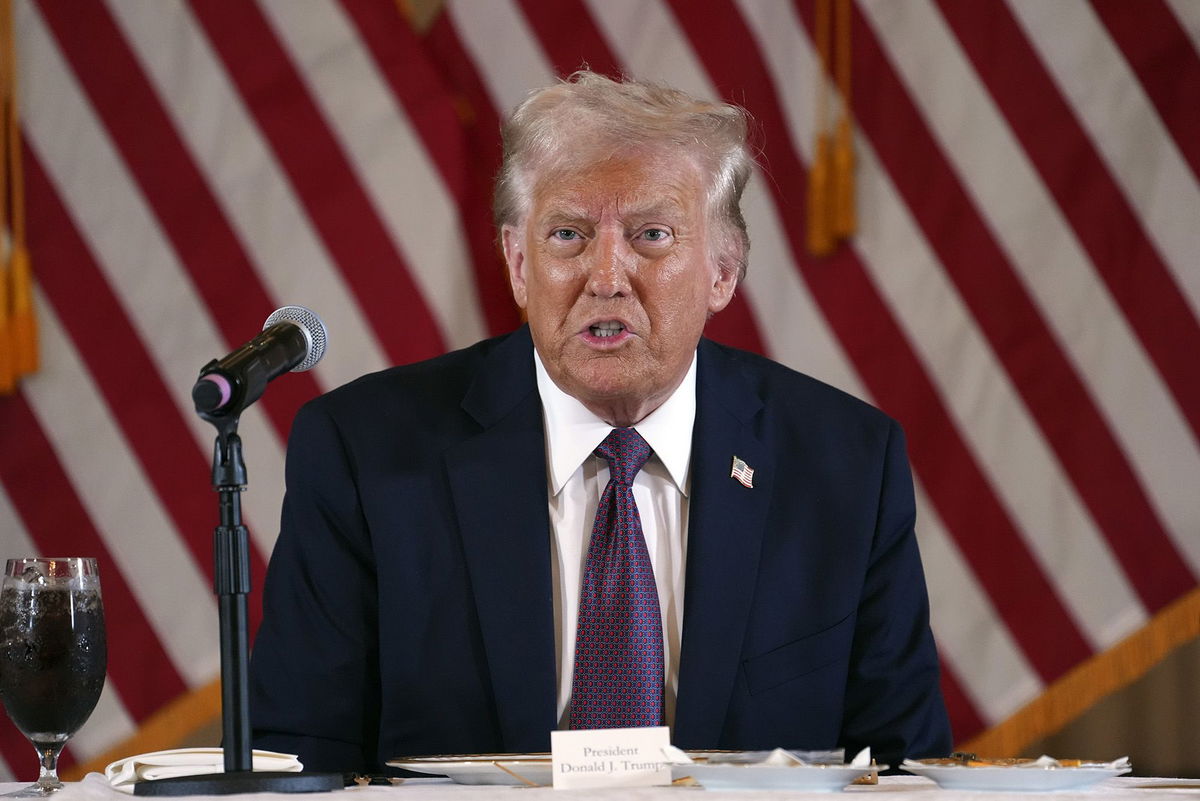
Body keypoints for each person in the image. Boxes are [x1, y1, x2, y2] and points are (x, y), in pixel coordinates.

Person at [249, 71, 951, 773]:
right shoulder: (365, 454)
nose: (606, 275)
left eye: (651, 234)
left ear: (723, 270)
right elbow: (300, 762)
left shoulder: (845, 464)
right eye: (567, 234)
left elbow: (905, 771)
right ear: (519, 265)